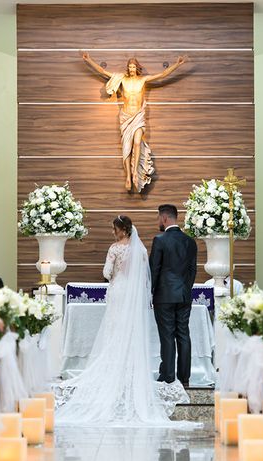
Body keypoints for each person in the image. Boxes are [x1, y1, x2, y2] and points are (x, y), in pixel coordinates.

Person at [54, 215, 191, 427]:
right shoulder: (142, 250)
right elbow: (147, 275)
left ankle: (114, 369)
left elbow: (107, 273)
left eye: (114, 229)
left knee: (114, 330)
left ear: (121, 230)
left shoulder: (114, 249)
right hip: (133, 295)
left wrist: (115, 272)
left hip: (118, 292)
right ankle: (131, 371)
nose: (112, 233)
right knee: (131, 331)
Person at [81, 52, 187, 192]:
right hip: (125, 117)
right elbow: (102, 71)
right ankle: (128, 177)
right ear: (128, 68)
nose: (131, 69)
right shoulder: (122, 80)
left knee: (137, 142)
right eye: (129, 67)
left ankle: (135, 172)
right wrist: (89, 60)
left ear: (137, 68)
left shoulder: (142, 80)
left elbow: (162, 75)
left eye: (133, 67)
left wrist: (177, 64)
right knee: (126, 148)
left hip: (138, 116)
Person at [149, 204, 198, 387]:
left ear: (164, 218)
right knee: (183, 334)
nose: (158, 222)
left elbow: (154, 270)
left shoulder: (159, 240)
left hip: (164, 296)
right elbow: (193, 269)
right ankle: (184, 378)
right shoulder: (190, 241)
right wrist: (186, 288)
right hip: (184, 295)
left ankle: (168, 376)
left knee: (167, 335)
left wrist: (150, 292)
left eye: (158, 218)